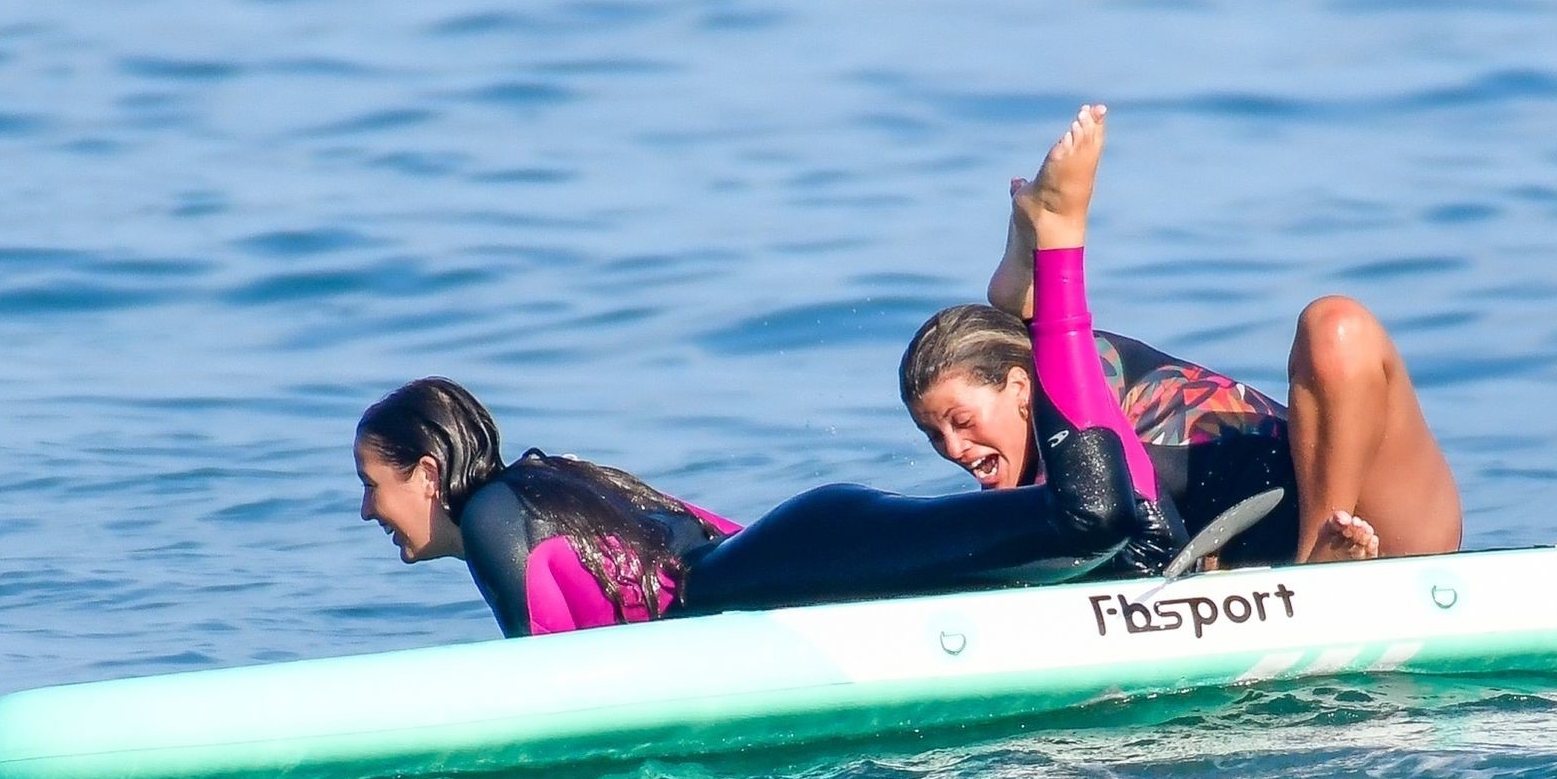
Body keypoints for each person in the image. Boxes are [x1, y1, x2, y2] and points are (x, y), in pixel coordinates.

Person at [355, 106, 1187, 637]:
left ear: (427, 472)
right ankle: (1032, 297)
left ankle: (1057, 244)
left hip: (777, 567)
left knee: (1092, 514)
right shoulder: (552, 482)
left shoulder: (494, 513)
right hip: (791, 553)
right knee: (1124, 537)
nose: (368, 510)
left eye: (372, 484)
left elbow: (551, 680)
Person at [901, 104, 1462, 567]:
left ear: (1021, 390)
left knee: (1336, 327)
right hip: (1242, 559)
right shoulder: (1055, 494)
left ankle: (1320, 557)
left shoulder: (1075, 408)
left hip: (1383, 526)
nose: (953, 449)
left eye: (961, 421)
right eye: (934, 436)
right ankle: (1025, 275)